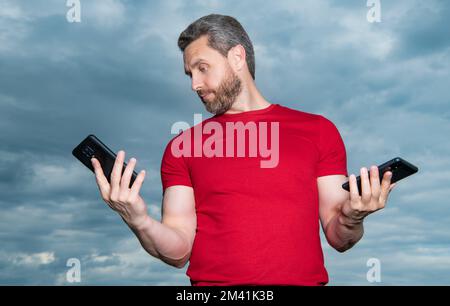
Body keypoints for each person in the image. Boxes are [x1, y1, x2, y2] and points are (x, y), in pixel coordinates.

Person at [91, 14, 396, 286]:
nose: (194, 84)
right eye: (189, 74)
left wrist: (353, 217)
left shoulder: (318, 131)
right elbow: (179, 250)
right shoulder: (182, 147)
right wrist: (138, 220)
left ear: (237, 57)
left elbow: (339, 237)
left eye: (202, 68)